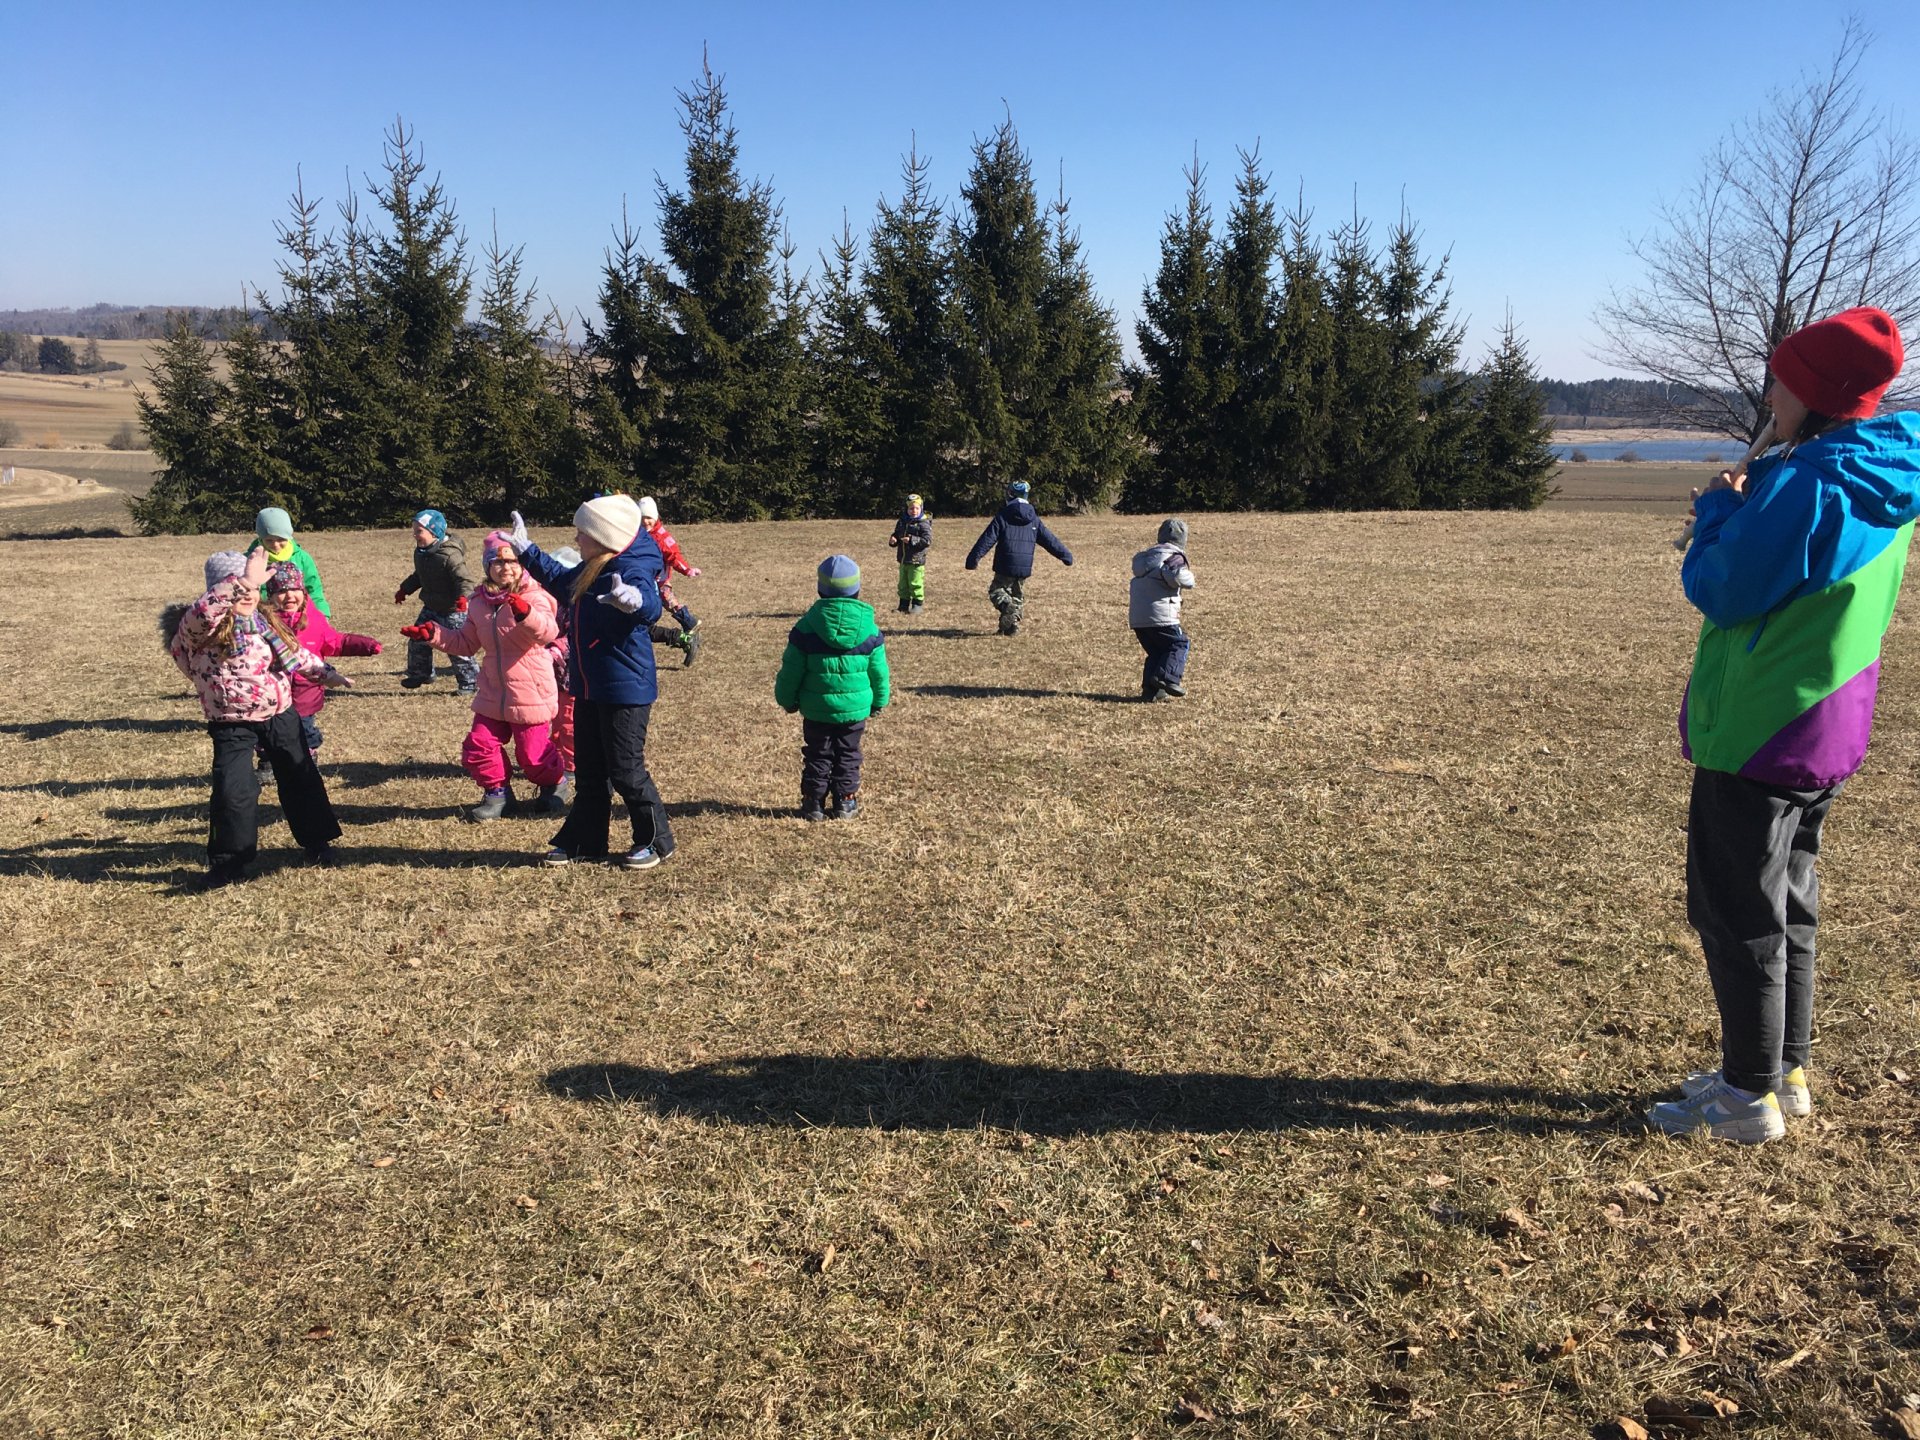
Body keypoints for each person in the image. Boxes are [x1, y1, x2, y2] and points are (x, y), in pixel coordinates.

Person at [1649, 306, 1918, 1144]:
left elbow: (1723, 588)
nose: (1770, 397)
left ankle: (1745, 1098)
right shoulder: (1877, 473)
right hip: (1823, 723)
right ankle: (1781, 1072)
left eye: (1781, 383)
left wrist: (1715, 518)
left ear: (1815, 394)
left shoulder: (1809, 485)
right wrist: (1752, 501)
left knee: (1737, 916)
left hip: (1761, 728)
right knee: (1788, 901)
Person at [161, 548, 349, 888]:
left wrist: (326, 673)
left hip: (279, 713)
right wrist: (244, 580)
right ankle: (228, 863)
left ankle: (318, 842)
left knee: (300, 777)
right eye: (240, 588)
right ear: (220, 591)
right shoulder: (198, 628)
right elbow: (205, 610)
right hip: (230, 722)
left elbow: (295, 652)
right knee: (233, 791)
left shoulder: (265, 621)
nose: (249, 595)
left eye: (254, 588)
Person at [505, 498, 676, 869]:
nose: (576, 538)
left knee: (626, 770)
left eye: (582, 532)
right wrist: (527, 551)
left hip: (624, 689)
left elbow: (648, 602)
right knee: (589, 771)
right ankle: (585, 842)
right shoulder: (593, 566)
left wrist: (634, 601)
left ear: (604, 537)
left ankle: (656, 841)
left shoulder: (630, 568)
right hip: (588, 685)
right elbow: (561, 581)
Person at [403, 531, 569, 822]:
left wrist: (525, 613)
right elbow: (467, 643)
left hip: (531, 688)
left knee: (533, 755)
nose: (506, 567)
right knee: (479, 744)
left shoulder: (536, 595)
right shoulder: (479, 601)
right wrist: (434, 635)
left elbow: (547, 632)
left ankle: (554, 784)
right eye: (497, 562)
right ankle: (498, 794)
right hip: (493, 689)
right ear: (487, 566)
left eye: (512, 561)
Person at [775, 556, 891, 820]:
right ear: (857, 589)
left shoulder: (805, 628)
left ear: (820, 590)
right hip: (854, 710)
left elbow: (791, 670)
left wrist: (787, 699)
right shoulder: (870, 630)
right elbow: (879, 672)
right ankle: (845, 801)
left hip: (817, 709)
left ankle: (813, 801)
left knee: (818, 753)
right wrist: (879, 701)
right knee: (848, 753)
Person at [264, 562, 382, 755]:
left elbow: (334, 642)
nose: (289, 595)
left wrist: (364, 645)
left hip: (305, 694)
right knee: (269, 734)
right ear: (271, 595)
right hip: (272, 695)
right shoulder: (263, 623)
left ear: (303, 591)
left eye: (294, 589)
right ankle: (267, 761)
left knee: (304, 732)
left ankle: (309, 758)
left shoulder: (313, 619)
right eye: (282, 590)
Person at [963, 480, 1073, 635]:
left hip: (1006, 563)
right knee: (1017, 596)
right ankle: (1010, 628)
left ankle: (1007, 607)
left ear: (1010, 494)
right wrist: (1065, 555)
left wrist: (973, 560)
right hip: (1024, 565)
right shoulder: (1033, 519)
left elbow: (987, 539)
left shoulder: (1003, 516)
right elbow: (1050, 540)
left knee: (997, 590)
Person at [393, 509, 478, 694]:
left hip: (453, 610)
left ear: (434, 532)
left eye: (419, 531)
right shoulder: (421, 552)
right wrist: (404, 589)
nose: (415, 535)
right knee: (417, 638)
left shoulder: (449, 555)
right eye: (414, 531)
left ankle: (470, 683)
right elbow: (419, 575)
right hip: (431, 607)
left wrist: (463, 598)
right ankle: (421, 673)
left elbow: (464, 579)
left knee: (457, 647)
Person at [1129, 518, 1196, 702]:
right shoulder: (1174, 557)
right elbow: (1178, 577)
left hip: (1138, 619)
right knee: (1178, 644)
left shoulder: (1146, 558)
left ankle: (1151, 692)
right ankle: (1167, 678)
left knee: (1157, 652)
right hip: (1161, 616)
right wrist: (1191, 578)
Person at [639, 496, 702, 667]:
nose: (645, 521)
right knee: (663, 602)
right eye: (642, 517)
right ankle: (687, 624)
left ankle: (688, 621)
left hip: (659, 579)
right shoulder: (639, 533)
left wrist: (687, 570)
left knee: (666, 598)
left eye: (649, 517)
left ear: (656, 517)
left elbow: (674, 556)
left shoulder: (662, 537)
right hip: (647, 579)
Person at [246, 507, 332, 618]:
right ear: (260, 538)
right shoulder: (249, 560)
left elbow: (314, 591)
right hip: (261, 618)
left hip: (297, 617)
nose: (275, 544)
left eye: (281, 539)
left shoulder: (302, 558)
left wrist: (322, 616)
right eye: (269, 540)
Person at [888, 493, 933, 614]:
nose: (914, 511)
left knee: (915, 583)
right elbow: (897, 534)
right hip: (903, 559)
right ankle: (903, 606)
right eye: (911, 508)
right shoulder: (902, 522)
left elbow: (927, 541)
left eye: (917, 508)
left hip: (916, 560)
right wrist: (894, 539)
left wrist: (912, 540)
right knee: (903, 584)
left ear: (921, 508)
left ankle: (917, 605)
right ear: (906, 509)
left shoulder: (924, 523)